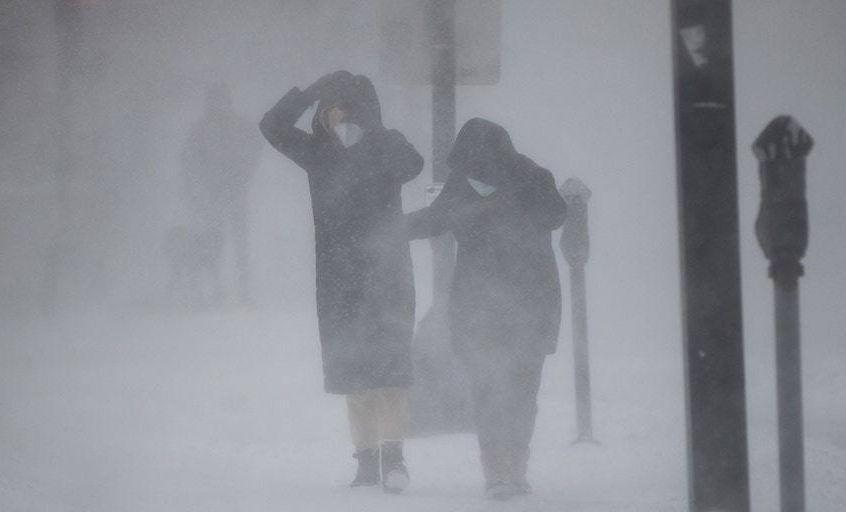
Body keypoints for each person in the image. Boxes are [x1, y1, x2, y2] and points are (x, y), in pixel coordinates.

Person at [259, 71, 423, 493]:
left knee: (390, 373)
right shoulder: (317, 153)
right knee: (355, 375)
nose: (336, 116)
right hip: (339, 278)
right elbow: (272, 127)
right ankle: (366, 461)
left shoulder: (386, 146)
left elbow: (414, 164)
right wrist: (309, 91)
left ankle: (394, 458)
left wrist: (376, 134)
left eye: (346, 107)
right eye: (328, 108)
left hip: (387, 274)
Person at [405, 118, 567, 500]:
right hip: (480, 308)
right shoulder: (462, 185)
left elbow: (557, 216)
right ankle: (497, 468)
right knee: (487, 388)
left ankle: (516, 466)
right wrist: (385, 228)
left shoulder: (532, 177)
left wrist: (527, 184)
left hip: (530, 305)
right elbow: (433, 219)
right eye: (467, 164)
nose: (474, 172)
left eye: (478, 162)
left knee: (522, 390)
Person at [180, 82, 261, 303]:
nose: (218, 106)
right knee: (214, 240)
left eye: (221, 100)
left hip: (234, 190)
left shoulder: (240, 126)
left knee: (238, 240)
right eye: (215, 100)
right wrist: (194, 189)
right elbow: (188, 161)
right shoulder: (201, 129)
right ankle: (217, 287)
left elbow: (255, 149)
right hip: (213, 192)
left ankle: (243, 288)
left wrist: (244, 170)